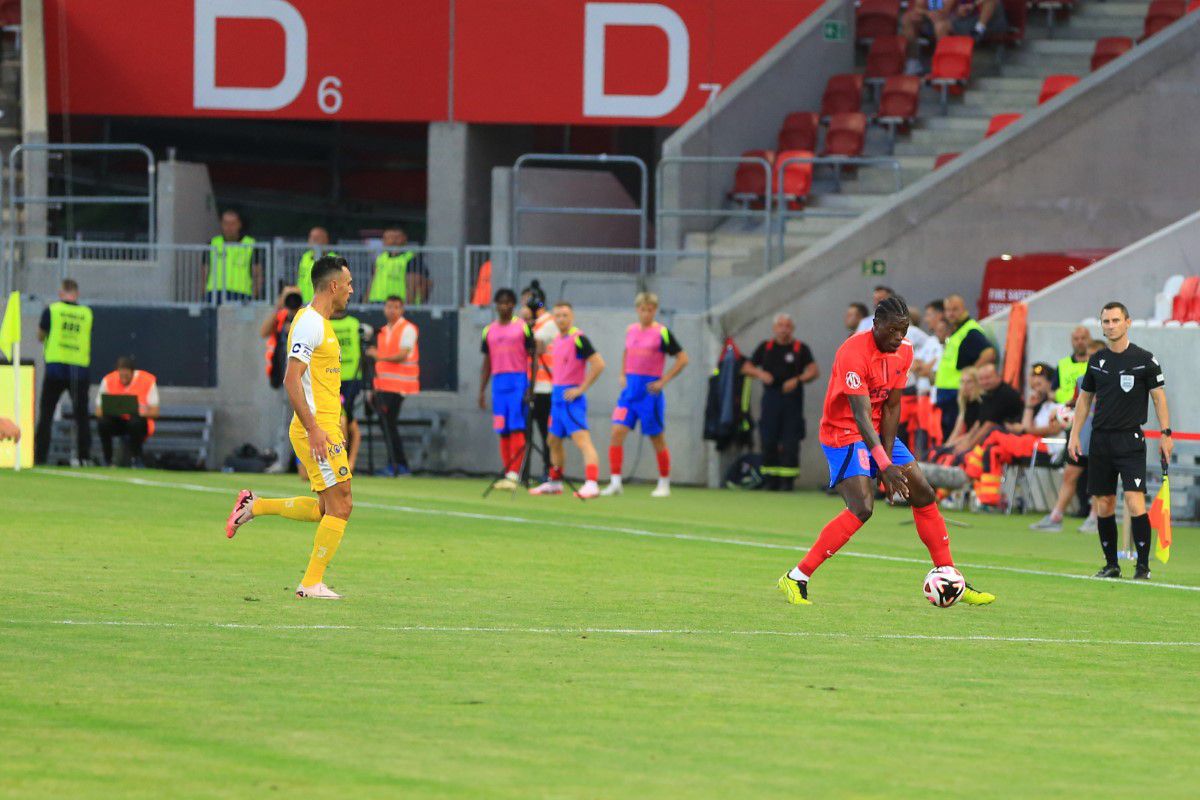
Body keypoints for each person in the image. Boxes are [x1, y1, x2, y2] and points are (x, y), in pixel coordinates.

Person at [776, 296, 995, 606]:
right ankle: (796, 577)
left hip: (877, 430)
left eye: (903, 330)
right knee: (862, 507)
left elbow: (892, 406)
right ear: (875, 325)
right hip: (844, 432)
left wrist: (887, 458)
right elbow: (860, 415)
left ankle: (950, 576)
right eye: (892, 330)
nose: (898, 336)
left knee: (923, 493)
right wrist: (882, 464)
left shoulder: (904, 350)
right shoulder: (852, 352)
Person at [224, 255, 356, 600]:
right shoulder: (310, 323)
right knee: (341, 505)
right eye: (348, 284)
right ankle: (311, 583)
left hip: (325, 425)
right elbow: (291, 378)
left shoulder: (317, 322)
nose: (351, 290)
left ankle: (254, 506)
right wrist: (315, 429)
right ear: (333, 286)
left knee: (327, 508)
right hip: (317, 428)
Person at [1069, 302, 1171, 581]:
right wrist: (1075, 435)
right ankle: (1111, 565)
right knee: (1104, 503)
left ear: (1128, 322)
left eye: (1116, 320)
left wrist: (1166, 434)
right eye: (1106, 321)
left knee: (1135, 500)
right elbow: (1084, 400)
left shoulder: (1145, 359)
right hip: (1101, 440)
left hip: (1130, 439)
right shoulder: (1097, 360)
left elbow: (1159, 398)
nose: (1111, 325)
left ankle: (1142, 567)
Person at [601, 293, 690, 498]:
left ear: (655, 311)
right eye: (643, 310)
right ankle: (615, 482)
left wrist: (663, 381)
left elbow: (683, 358)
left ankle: (664, 483)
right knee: (617, 431)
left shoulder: (662, 333)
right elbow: (626, 351)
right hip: (629, 393)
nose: (646, 314)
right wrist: (623, 373)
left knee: (656, 438)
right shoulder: (630, 330)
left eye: (650, 310)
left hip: (650, 393)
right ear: (637, 310)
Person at [529, 302, 606, 499]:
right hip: (556, 398)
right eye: (557, 315)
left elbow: (598, 364)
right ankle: (555, 482)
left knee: (582, 441)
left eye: (565, 315)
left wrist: (581, 389)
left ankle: (592, 483)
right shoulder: (556, 339)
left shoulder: (578, 338)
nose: (561, 319)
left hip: (571, 398)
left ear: (572, 317)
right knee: (553, 440)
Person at [963, 363, 1065, 508]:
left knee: (995, 432)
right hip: (1029, 444)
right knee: (992, 451)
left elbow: (1051, 429)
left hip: (1045, 448)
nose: (1035, 384)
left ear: (1051, 384)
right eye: (1033, 380)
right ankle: (989, 499)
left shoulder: (1060, 405)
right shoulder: (1042, 405)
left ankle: (971, 468)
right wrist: (1029, 407)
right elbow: (1026, 426)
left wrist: (1026, 429)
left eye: (1040, 382)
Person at [1031, 339, 1106, 533]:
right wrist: (1060, 411)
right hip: (1081, 436)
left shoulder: (1111, 380)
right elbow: (1076, 401)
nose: (1091, 360)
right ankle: (1055, 516)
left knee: (1098, 479)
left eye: (1095, 356)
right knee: (1070, 475)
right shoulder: (1082, 380)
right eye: (1089, 356)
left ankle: (1095, 518)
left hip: (1101, 437)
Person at [740, 313, 819, 491]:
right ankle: (771, 478)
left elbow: (814, 371)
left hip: (792, 400)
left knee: (791, 439)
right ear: (774, 328)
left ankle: (787, 480)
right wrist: (760, 374)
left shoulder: (800, 348)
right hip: (771, 399)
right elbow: (746, 367)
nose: (784, 329)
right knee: (768, 438)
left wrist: (798, 380)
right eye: (780, 326)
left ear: (792, 329)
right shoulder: (765, 347)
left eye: (787, 326)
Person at [34, 279, 94, 465]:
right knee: (82, 416)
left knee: (46, 413)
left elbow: (40, 335)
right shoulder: (86, 313)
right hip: (79, 369)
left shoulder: (52, 310)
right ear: (77, 293)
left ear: (61, 293)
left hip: (56, 368)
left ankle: (40, 456)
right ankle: (84, 457)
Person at [479, 288, 534, 489]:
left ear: (513, 305)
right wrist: (481, 390)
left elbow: (533, 357)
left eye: (508, 302)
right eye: (501, 302)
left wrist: (531, 385)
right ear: (496, 305)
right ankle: (508, 471)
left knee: (517, 427)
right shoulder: (488, 330)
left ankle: (514, 474)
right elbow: (487, 362)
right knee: (502, 429)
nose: (504, 306)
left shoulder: (523, 327)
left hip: (518, 381)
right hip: (498, 384)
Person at [367, 296, 419, 477]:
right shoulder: (382, 331)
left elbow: (403, 355)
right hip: (383, 386)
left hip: (399, 386)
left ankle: (399, 465)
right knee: (387, 425)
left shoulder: (408, 329)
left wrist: (378, 356)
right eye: (389, 306)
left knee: (389, 424)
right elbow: (380, 365)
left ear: (402, 310)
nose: (392, 310)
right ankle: (396, 464)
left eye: (396, 307)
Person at [933, 294, 996, 441]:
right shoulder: (957, 330)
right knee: (945, 432)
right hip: (947, 391)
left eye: (955, 309)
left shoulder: (971, 330)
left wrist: (971, 374)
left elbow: (989, 353)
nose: (950, 314)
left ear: (964, 309)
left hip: (956, 390)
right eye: (948, 310)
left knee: (953, 432)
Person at [261, 285, 305, 473]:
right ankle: (283, 461)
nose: (292, 300)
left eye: (295, 296)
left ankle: (303, 463)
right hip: (284, 378)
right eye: (289, 296)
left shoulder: (306, 317)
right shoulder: (280, 317)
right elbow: (263, 332)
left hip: (303, 380)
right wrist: (279, 305)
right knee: (285, 423)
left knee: (306, 421)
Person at [901, 0, 1008, 75]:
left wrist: (932, 10)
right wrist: (927, 12)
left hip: (968, 19)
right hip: (946, 17)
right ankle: (913, 62)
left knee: (940, 26)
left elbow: (942, 12)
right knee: (908, 19)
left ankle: (944, 67)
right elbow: (919, 7)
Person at [94, 356, 159, 467]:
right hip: (117, 422)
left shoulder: (147, 381)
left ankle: (137, 459)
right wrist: (114, 410)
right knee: (103, 422)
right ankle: (107, 460)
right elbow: (98, 411)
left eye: (127, 376)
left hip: (137, 423)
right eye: (121, 375)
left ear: (133, 373)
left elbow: (155, 412)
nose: (123, 379)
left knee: (135, 422)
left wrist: (138, 411)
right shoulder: (108, 380)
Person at [522, 281, 556, 479]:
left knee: (546, 432)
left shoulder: (549, 323)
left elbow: (535, 345)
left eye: (527, 303)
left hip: (545, 387)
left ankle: (549, 471)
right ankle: (524, 471)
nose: (523, 308)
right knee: (526, 431)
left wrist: (525, 325)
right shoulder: (531, 324)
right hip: (530, 385)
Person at [205, 209, 261, 303]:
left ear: (239, 224)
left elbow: (257, 274)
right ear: (221, 224)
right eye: (226, 223)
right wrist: (204, 294)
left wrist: (253, 297)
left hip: (242, 293)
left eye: (233, 223)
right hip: (215, 293)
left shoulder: (250, 244)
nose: (229, 227)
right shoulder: (213, 243)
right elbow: (204, 273)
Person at [368, 226, 430, 304]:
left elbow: (413, 287)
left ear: (405, 239)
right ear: (383, 241)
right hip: (376, 303)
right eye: (389, 238)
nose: (392, 241)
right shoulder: (380, 259)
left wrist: (408, 307)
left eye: (396, 238)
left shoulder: (411, 259)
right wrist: (365, 303)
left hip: (399, 305)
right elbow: (372, 282)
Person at [330, 307, 365, 424]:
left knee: (346, 412)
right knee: (339, 413)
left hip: (351, 376)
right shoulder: (324, 323)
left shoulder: (354, 323)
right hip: (331, 376)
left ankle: (347, 436)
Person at [1053, 325, 1091, 405]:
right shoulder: (1062, 364)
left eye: (1083, 338)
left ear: (1090, 340)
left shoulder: (1096, 363)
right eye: (1076, 339)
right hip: (1065, 408)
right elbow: (1052, 392)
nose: (1080, 342)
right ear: (1071, 341)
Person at [297, 226, 334, 304]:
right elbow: (300, 279)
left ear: (326, 240)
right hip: (303, 303)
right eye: (311, 237)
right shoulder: (305, 257)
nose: (313, 240)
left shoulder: (334, 259)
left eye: (317, 238)